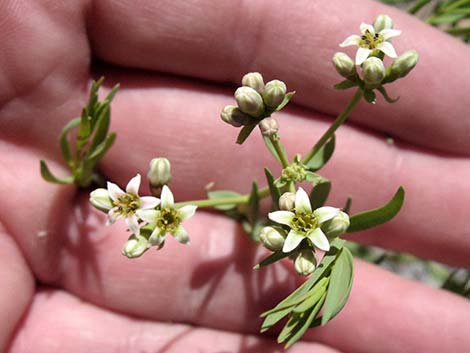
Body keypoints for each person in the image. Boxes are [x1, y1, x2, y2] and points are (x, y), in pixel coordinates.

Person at [1, 0, 469, 352]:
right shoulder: (161, 208)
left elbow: (312, 216)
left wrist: (303, 217)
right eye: (368, 44)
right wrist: (161, 218)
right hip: (195, 205)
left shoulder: (289, 201)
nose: (369, 47)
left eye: (373, 47)